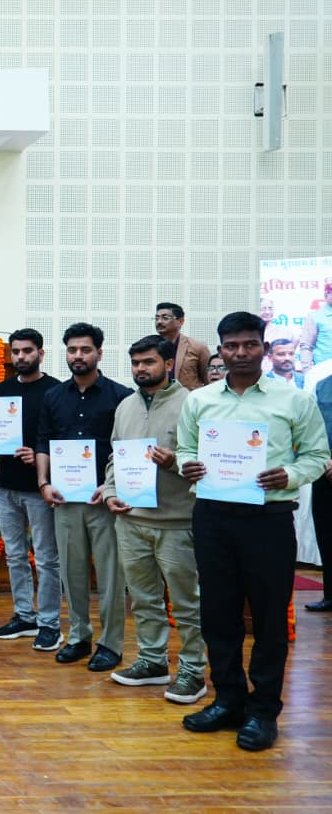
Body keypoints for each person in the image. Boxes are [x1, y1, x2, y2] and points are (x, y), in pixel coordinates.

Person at [177, 311, 330, 751]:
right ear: (220, 350)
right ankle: (228, 700)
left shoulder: (293, 399)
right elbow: (186, 448)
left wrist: (290, 474)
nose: (241, 353)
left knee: (268, 618)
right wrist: (189, 464)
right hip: (213, 517)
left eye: (250, 344)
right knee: (218, 614)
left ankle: (263, 710)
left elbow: (318, 456)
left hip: (269, 520)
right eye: (232, 346)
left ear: (263, 347)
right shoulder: (200, 400)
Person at [100, 336, 206, 704]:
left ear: (168, 364)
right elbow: (115, 456)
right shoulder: (125, 406)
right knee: (144, 600)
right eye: (136, 363)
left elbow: (207, 461)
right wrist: (110, 491)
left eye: (148, 362)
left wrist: (174, 462)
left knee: (187, 603)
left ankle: (193, 669)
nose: (141, 369)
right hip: (131, 520)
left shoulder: (192, 403)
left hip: (177, 522)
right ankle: (152, 660)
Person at [37, 323, 133, 671]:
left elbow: (125, 448)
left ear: (99, 353)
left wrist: (110, 486)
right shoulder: (53, 396)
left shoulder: (121, 396)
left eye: (85, 350)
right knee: (71, 572)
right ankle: (79, 636)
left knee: (110, 575)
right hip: (64, 498)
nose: (78, 356)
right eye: (72, 350)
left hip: (103, 499)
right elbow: (43, 441)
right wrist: (43, 483)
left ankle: (111, 643)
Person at [0, 328, 63, 650]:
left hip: (40, 488)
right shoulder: (1, 391)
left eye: (27, 351)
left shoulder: (56, 391)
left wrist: (41, 459)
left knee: (46, 559)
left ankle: (49, 623)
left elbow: (64, 440)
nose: (21, 357)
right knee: (15, 555)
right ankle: (24, 615)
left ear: (40, 354)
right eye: (16, 351)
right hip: (6, 486)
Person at [307, 372, 332, 612]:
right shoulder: (322, 385)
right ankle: (330, 595)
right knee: (326, 535)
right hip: (325, 473)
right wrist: (323, 461)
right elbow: (313, 430)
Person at [154, 302, 211, 390]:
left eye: (165, 318)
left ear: (180, 321)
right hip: (159, 397)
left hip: (187, 397)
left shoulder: (197, 347)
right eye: (157, 318)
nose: (159, 322)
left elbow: (208, 380)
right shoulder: (151, 348)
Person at [298, 281, 332, 370]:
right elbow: (306, 346)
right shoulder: (315, 316)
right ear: (326, 294)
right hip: (325, 371)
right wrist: (308, 371)